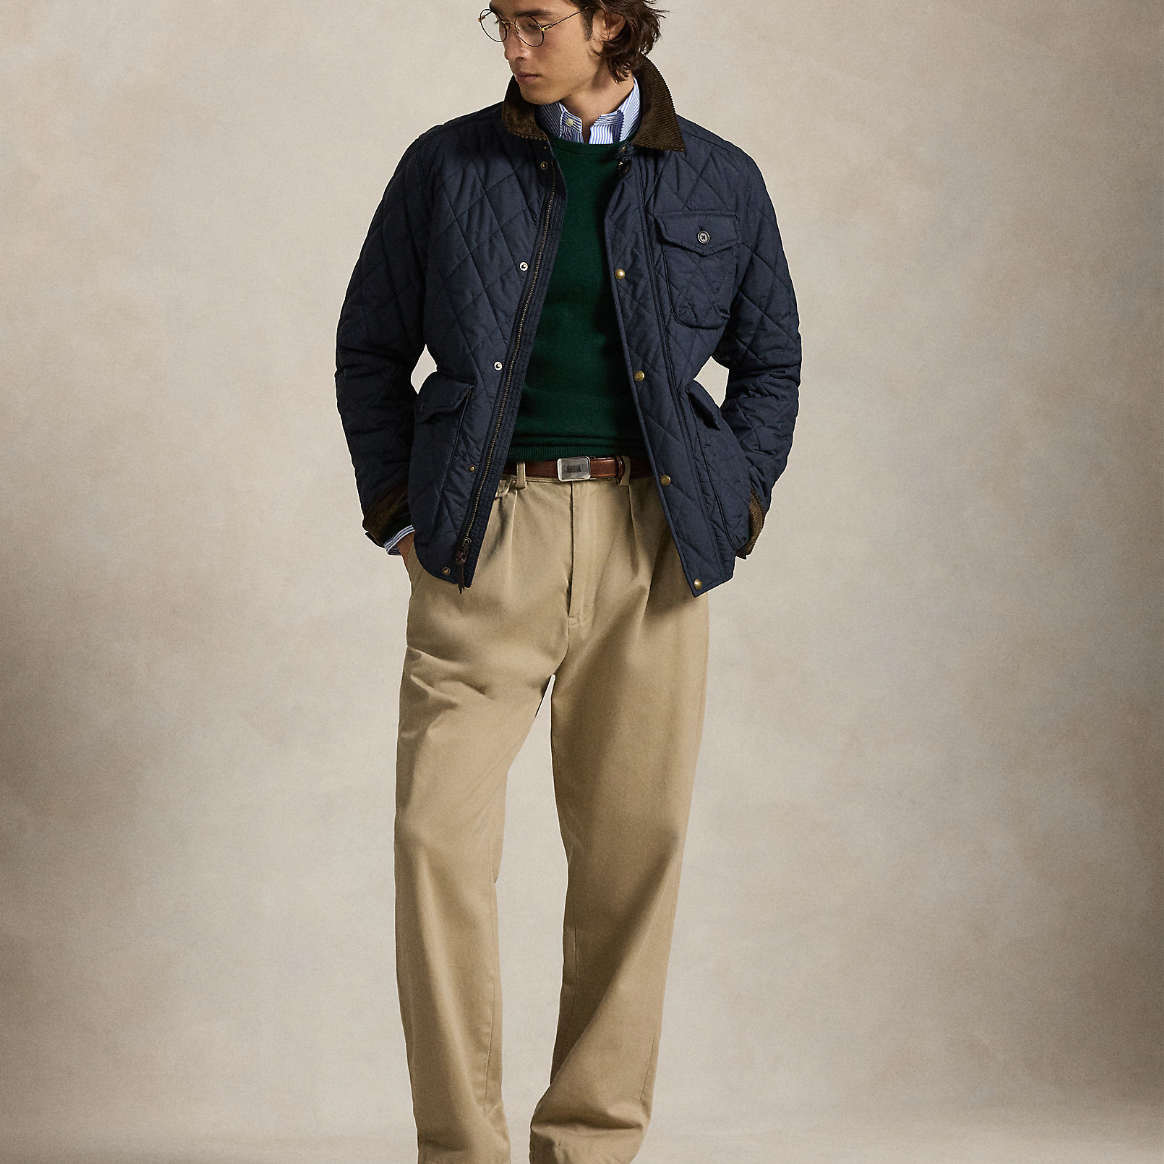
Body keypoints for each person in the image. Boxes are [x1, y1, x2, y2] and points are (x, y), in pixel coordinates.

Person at [334, 2, 801, 1161]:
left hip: (653, 545)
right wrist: (401, 512)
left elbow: (771, 359)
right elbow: (368, 347)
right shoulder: (446, 168)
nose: (512, 47)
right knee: (434, 841)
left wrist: (735, 501)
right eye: (499, 22)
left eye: (536, 22)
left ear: (612, 21)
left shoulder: (721, 179)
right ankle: (462, 1149)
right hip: (483, 539)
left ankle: (589, 1146)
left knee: (631, 858)